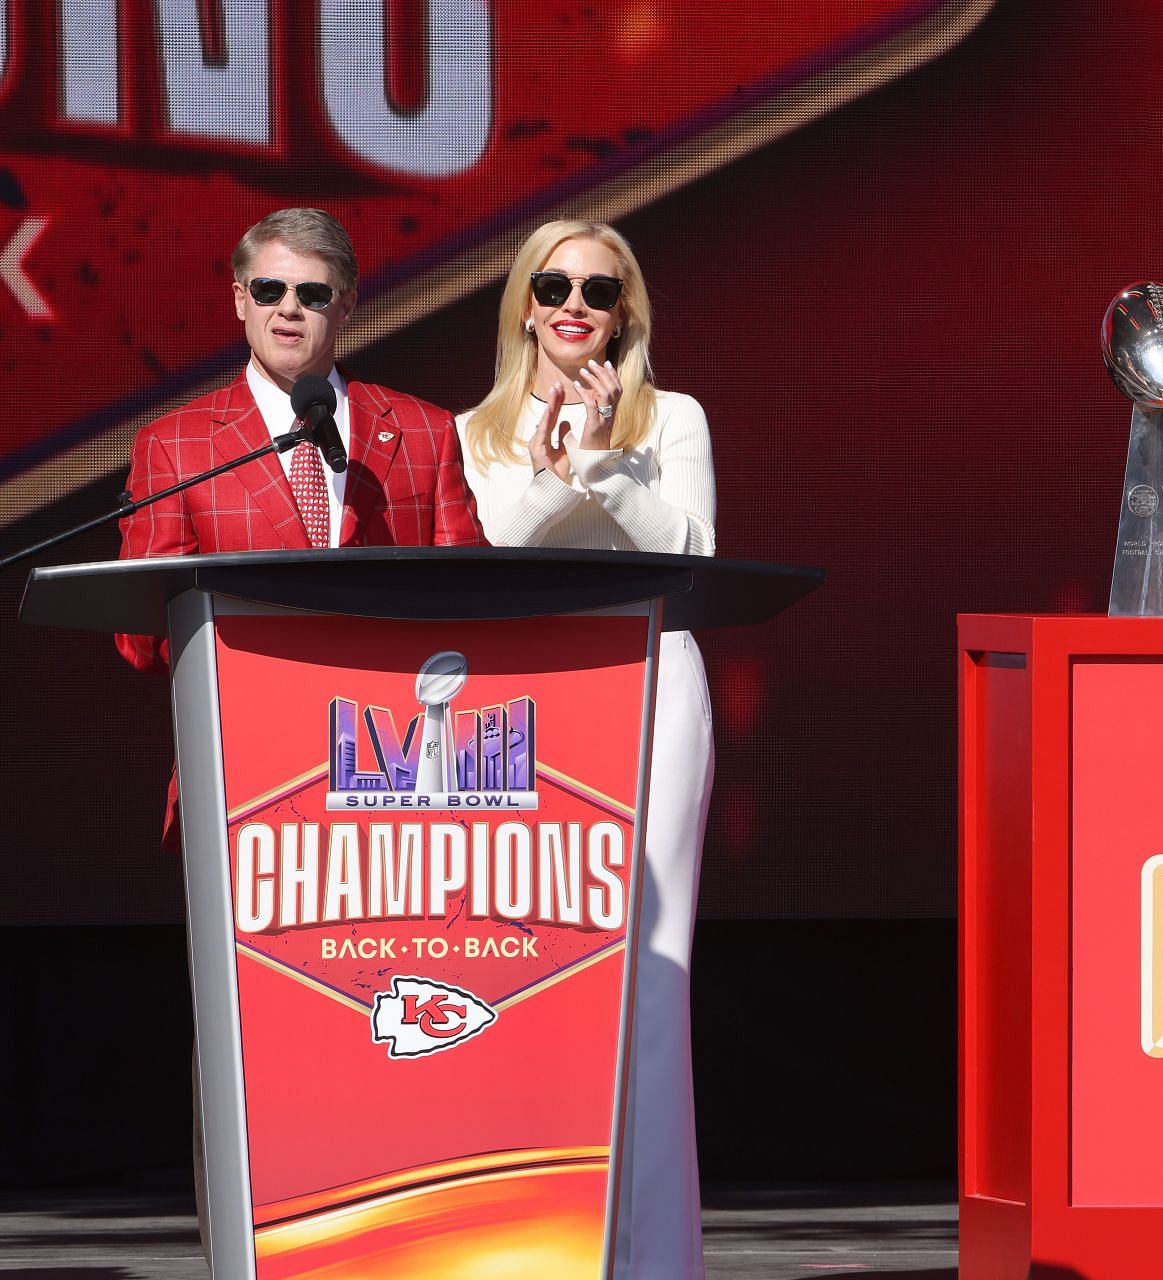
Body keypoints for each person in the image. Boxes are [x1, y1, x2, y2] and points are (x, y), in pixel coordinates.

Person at [458, 219, 716, 1278]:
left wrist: (604, 461)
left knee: (649, 976)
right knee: (532, 965)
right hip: (530, 701)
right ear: (525, 301)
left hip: (655, 682)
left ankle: (651, 1258)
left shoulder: (676, 418)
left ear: (626, 313)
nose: (574, 303)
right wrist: (552, 466)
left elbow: (688, 548)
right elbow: (507, 544)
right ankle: (534, 1245)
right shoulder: (473, 428)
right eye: (554, 283)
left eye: (599, 290)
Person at [116, 206, 484, 841]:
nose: (288, 309)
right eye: (269, 290)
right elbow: (139, 635)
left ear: (345, 307)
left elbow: (476, 601)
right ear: (240, 300)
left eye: (312, 294)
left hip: (405, 777)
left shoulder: (424, 431)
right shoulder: (175, 447)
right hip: (246, 772)